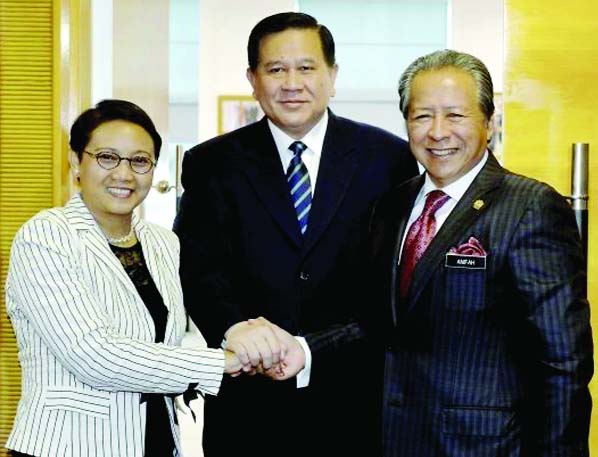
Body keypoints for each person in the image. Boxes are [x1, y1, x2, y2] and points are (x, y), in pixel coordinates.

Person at [173, 11, 418, 457]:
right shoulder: (213, 163)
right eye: (275, 69)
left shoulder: (388, 159)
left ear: (332, 76)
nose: (292, 82)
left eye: (306, 68)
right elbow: (196, 265)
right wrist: (233, 328)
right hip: (248, 401)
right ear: (253, 78)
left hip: (354, 400)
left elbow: (392, 279)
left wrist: (321, 346)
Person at [364, 50, 593, 456]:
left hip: (486, 447)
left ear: (488, 122)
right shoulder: (391, 207)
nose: (437, 132)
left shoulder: (529, 206)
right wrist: (302, 349)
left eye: (455, 115)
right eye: (422, 116)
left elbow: (563, 364)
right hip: (396, 441)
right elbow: (382, 327)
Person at [3, 99, 258, 457]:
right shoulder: (46, 236)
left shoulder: (163, 242)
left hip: (153, 440)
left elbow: (165, 340)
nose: (123, 174)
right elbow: (94, 354)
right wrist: (222, 362)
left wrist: (249, 335)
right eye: (107, 157)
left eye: (140, 161)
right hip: (69, 446)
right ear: (77, 161)